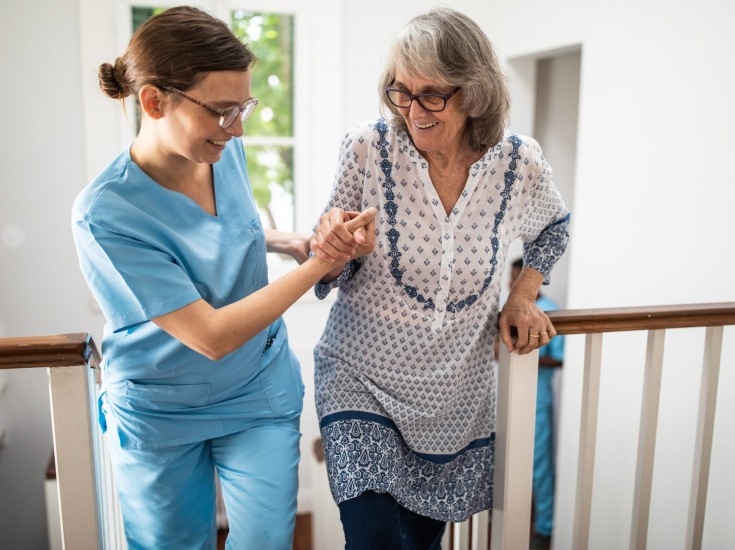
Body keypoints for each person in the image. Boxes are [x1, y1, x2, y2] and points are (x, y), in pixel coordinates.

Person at [71, 7, 376, 549]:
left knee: (265, 540)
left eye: (243, 106)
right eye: (221, 110)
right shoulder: (104, 212)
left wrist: (286, 242)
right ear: (153, 101)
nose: (238, 127)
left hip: (256, 385)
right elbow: (209, 334)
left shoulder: (219, 150)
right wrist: (321, 264)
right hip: (161, 406)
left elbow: (215, 237)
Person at [308, 8, 570, 549]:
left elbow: (554, 227)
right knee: (374, 540)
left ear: (475, 93)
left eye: (432, 95)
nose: (412, 110)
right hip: (359, 376)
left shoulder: (519, 163)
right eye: (400, 92)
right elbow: (330, 260)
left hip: (455, 396)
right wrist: (333, 247)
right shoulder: (368, 148)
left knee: (420, 542)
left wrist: (523, 296)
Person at [504, 259, 564, 550]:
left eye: (517, 279)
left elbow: (561, 357)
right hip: (506, 397)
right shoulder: (507, 308)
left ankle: (545, 528)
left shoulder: (550, 310)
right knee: (506, 461)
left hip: (538, 399)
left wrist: (528, 353)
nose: (511, 285)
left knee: (539, 468)